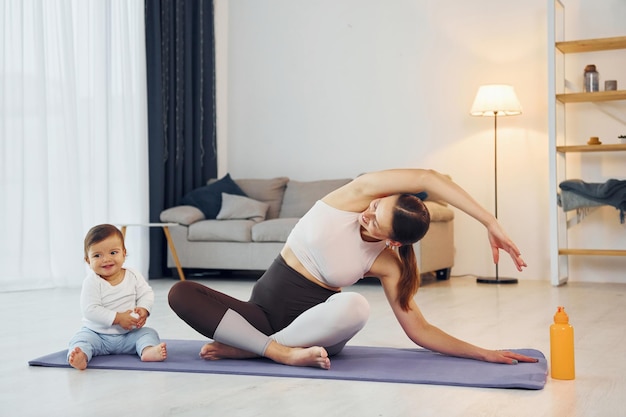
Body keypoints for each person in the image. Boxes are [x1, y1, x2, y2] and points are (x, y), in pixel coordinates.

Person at [168, 169, 537, 369]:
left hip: (318, 335)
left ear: (394, 243)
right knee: (180, 292)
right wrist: (490, 221)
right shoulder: (354, 195)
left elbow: (420, 330)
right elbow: (430, 179)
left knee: (357, 306)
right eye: (378, 206)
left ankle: (256, 349)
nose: (369, 213)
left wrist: (483, 353)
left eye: (378, 223)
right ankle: (273, 350)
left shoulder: (387, 264)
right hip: (260, 315)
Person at [67, 224, 167, 370]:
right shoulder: (92, 282)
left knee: (149, 333)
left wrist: (143, 309)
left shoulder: (133, 275)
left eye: (113, 253)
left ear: (124, 253)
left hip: (128, 335)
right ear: (88, 261)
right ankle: (81, 356)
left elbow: (146, 293)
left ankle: (147, 351)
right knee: (80, 339)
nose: (106, 259)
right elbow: (90, 310)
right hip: (97, 335)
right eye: (97, 255)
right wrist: (118, 318)